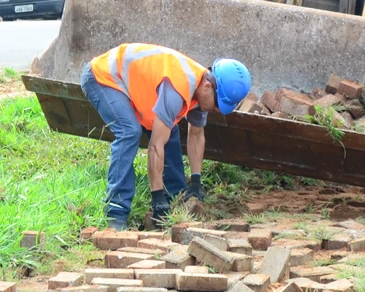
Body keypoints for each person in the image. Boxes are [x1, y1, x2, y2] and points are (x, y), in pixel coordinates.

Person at [80, 44, 252, 230]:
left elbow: (196, 134)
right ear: (207, 87)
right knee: (129, 132)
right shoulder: (178, 88)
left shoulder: (202, 90)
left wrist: (195, 181)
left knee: (169, 131)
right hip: (104, 77)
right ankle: (116, 212)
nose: (217, 109)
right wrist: (156, 196)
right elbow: (155, 146)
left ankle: (176, 200)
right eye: (218, 104)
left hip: (134, 86)